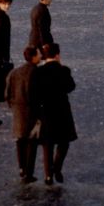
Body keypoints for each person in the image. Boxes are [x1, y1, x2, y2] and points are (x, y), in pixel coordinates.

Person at [36, 42, 77, 185]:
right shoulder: (64, 70)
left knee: (47, 144)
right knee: (63, 142)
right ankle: (57, 167)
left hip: (45, 111)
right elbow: (71, 87)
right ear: (57, 55)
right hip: (62, 111)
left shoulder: (39, 72)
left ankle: (48, 175)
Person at [6, 45, 42, 183]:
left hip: (18, 111)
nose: (40, 56)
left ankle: (21, 168)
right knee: (31, 142)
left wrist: (13, 105)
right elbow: (38, 95)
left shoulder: (15, 72)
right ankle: (29, 172)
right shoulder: (37, 73)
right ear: (33, 57)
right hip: (32, 111)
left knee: (20, 140)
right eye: (38, 54)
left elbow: (7, 92)